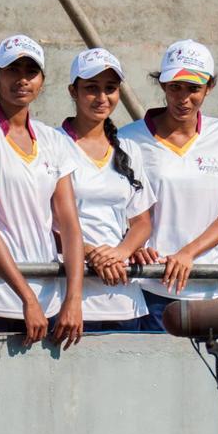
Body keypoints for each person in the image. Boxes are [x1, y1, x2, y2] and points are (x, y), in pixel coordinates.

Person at [0, 35, 84, 348]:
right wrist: (26, 297)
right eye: (13, 70)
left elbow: (69, 226)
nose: (22, 79)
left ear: (42, 80)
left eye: (31, 71)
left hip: (49, 301)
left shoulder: (54, 140)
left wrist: (73, 299)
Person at [118, 40, 218, 329]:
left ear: (209, 87)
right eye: (175, 87)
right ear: (163, 85)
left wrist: (188, 253)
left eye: (193, 88)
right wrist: (132, 246)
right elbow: (123, 211)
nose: (183, 98)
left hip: (210, 285)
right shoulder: (128, 138)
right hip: (150, 286)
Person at [60, 48, 156, 331]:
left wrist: (120, 253)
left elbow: (142, 222)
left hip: (124, 296)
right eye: (92, 88)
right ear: (73, 91)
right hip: (70, 298)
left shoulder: (129, 148)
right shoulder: (52, 143)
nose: (102, 97)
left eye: (110, 88)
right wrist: (90, 253)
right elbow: (46, 221)